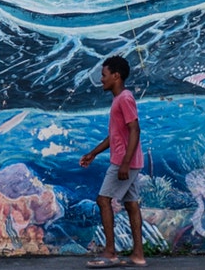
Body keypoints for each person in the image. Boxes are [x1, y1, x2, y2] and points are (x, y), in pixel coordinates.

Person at [79, 55, 147, 268]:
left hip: (123, 161)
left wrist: (125, 163)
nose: (101, 79)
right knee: (131, 204)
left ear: (116, 76)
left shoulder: (125, 98)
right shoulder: (119, 100)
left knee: (103, 200)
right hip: (129, 160)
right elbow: (115, 135)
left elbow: (135, 129)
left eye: (104, 75)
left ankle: (110, 252)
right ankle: (138, 255)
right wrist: (93, 153)